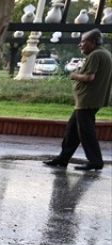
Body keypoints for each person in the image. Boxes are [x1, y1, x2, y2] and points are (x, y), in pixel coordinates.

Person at [44, 29, 112, 172]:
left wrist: (74, 75)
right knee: (72, 130)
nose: (80, 45)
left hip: (88, 100)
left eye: (83, 41)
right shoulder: (105, 53)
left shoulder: (96, 54)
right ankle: (62, 159)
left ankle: (95, 161)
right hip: (90, 99)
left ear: (93, 42)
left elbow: (89, 77)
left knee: (86, 132)